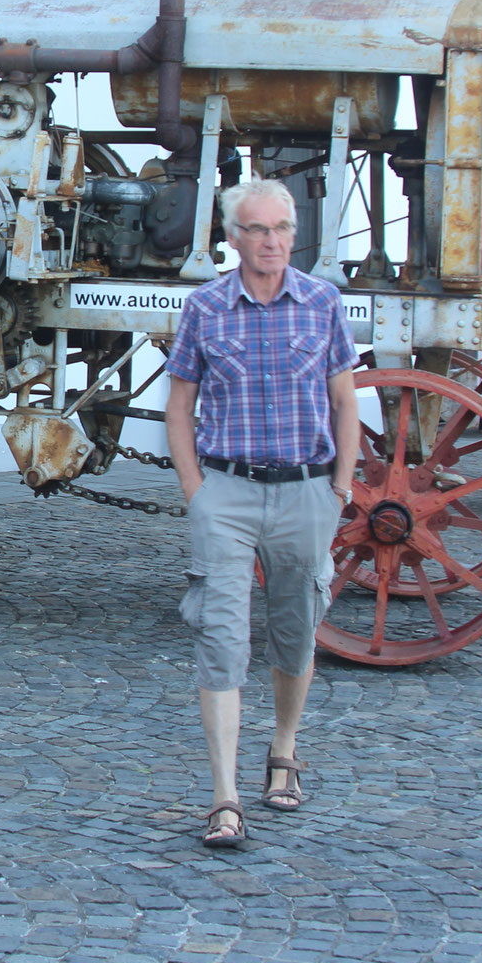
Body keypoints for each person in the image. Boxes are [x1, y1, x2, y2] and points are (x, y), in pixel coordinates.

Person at [163, 177, 359, 847]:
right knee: (221, 638)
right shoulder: (205, 308)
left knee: (296, 627)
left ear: (294, 233)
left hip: (306, 491)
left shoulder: (323, 304)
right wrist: (197, 490)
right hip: (228, 493)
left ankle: (283, 750)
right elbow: (180, 405)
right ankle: (224, 797)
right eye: (256, 229)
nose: (270, 240)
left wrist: (338, 489)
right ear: (233, 237)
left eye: (280, 228)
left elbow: (346, 402)